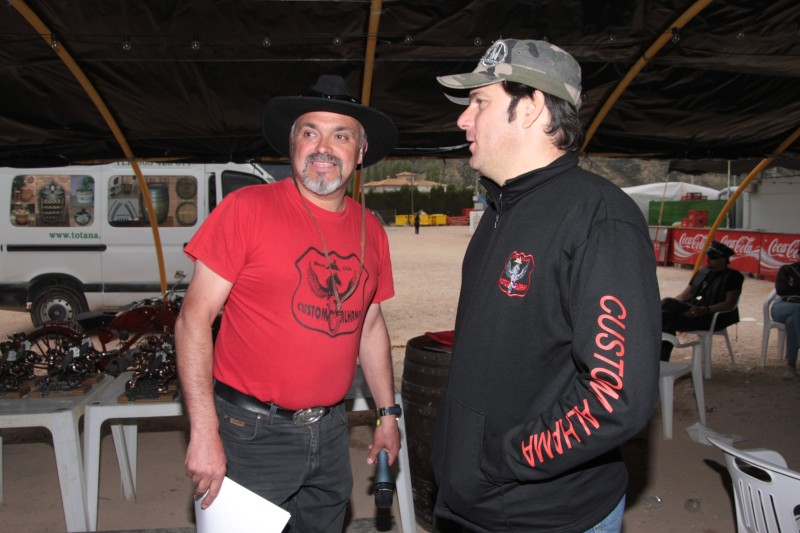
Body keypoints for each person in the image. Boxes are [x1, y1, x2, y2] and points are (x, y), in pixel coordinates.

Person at [430, 39, 661, 533]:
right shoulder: (500, 210)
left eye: (479, 102)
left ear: (531, 107)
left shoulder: (599, 218)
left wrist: (507, 458)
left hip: (544, 514)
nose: (463, 120)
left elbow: (616, 397)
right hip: (472, 501)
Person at [174, 74, 401, 532]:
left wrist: (387, 414)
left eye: (341, 136)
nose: (323, 147)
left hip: (332, 431)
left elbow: (371, 325)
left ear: (360, 152)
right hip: (250, 433)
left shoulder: (371, 229)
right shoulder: (246, 209)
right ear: (292, 144)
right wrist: (203, 431)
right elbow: (193, 319)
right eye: (310, 132)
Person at [660, 240, 743, 361]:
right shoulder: (703, 272)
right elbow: (684, 295)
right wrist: (666, 306)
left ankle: (661, 360)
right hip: (693, 309)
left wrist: (705, 309)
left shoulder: (733, 277)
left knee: (666, 321)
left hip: (711, 316)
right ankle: (661, 359)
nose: (708, 259)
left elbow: (730, 304)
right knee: (666, 308)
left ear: (723, 259)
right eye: (708, 256)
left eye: (712, 257)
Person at [772, 248, 800, 379]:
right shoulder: (787, 269)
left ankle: (791, 365)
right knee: (798, 310)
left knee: (792, 321)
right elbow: (781, 290)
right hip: (782, 306)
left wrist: (794, 288)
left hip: (795, 314)